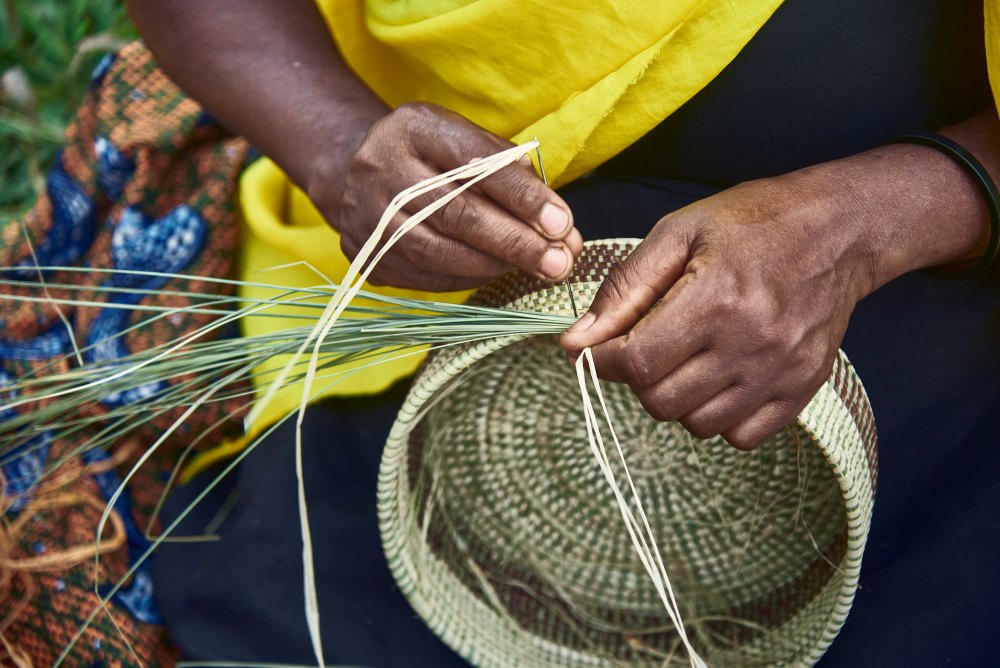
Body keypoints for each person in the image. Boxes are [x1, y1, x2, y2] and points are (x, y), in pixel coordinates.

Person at [2, 0, 998, 665]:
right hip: (430, 272)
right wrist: (338, 141)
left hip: (937, 257)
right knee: (300, 610)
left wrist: (866, 223)